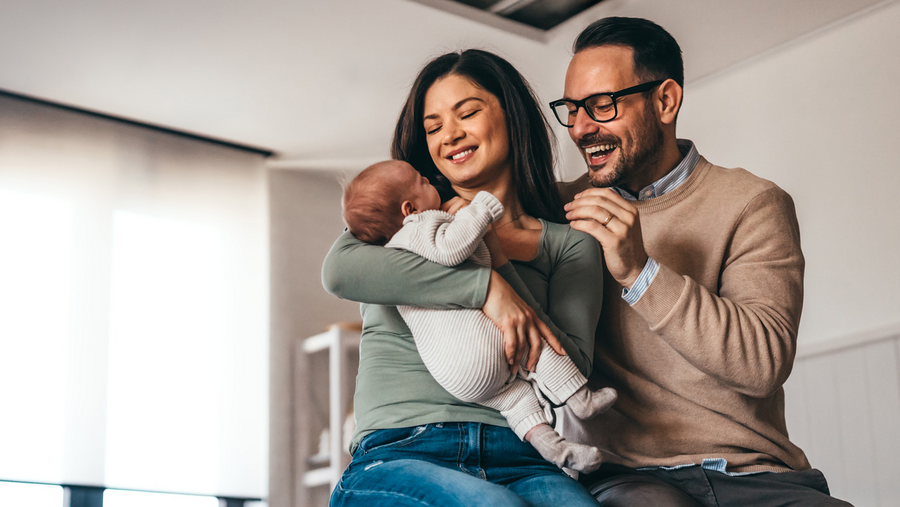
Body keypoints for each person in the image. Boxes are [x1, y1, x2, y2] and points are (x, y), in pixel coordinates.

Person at [549, 16, 852, 506]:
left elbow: (762, 363)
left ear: (665, 100)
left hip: (756, 475)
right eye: (572, 109)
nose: (581, 128)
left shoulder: (753, 203)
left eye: (601, 105)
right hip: (627, 477)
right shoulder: (557, 210)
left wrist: (639, 272)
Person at [322, 49, 605, 506]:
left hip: (523, 450)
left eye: (467, 113)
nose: (449, 134)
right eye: (433, 127)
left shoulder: (569, 245)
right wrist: (484, 289)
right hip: (401, 450)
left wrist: (499, 266)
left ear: (511, 117)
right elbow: (336, 273)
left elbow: (571, 366)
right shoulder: (399, 222)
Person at [341, 159, 618, 473]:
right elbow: (452, 248)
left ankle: (558, 450)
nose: (430, 180)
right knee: (533, 339)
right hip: (477, 354)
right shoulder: (418, 228)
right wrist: (480, 207)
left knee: (517, 404)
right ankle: (580, 399)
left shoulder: (391, 254)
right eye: (422, 181)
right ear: (410, 209)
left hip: (461, 379)